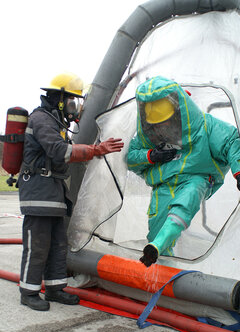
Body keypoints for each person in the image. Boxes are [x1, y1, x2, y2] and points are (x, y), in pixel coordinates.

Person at [18, 72, 124, 310]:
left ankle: (55, 289)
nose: (74, 108)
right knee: (37, 245)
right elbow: (59, 151)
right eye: (72, 101)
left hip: (53, 192)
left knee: (57, 243)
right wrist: (96, 150)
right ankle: (28, 291)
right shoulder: (41, 119)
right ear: (59, 99)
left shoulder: (55, 123)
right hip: (38, 192)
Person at [127, 75, 240, 267]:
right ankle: (160, 267)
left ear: (179, 112)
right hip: (163, 185)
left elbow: (231, 141)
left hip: (197, 177)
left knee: (189, 197)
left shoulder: (206, 126)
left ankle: (159, 250)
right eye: (157, 124)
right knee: (157, 233)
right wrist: (150, 156)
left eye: (167, 121)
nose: (163, 127)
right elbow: (131, 157)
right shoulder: (148, 136)